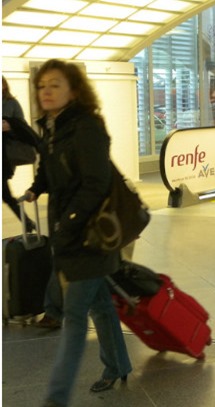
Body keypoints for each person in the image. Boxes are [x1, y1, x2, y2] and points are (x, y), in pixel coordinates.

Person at [20, 59, 132, 407]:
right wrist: (37, 188)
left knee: (73, 317)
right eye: (42, 85)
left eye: (55, 84)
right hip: (70, 233)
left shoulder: (86, 127)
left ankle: (56, 398)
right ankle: (118, 366)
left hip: (89, 237)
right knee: (101, 306)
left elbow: (96, 182)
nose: (47, 91)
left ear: (74, 90)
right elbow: (54, 167)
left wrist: (68, 223)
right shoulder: (53, 127)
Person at [2, 76, 37, 232]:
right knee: (5, 194)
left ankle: (27, 223)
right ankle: (27, 223)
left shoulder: (11, 103)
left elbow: (24, 129)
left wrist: (10, 126)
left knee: (5, 193)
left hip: (5, 154)